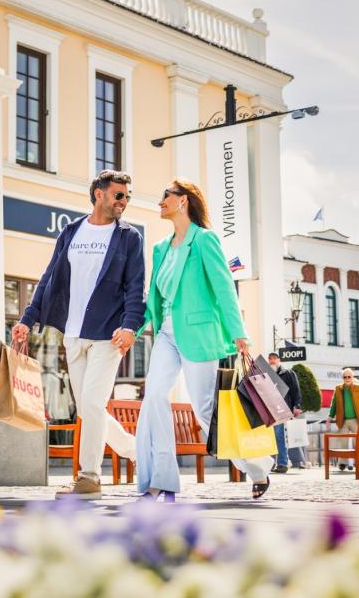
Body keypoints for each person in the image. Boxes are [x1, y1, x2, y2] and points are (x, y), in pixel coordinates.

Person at [135, 179, 274, 501]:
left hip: (198, 333)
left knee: (205, 410)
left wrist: (239, 333)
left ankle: (257, 467)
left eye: (165, 196)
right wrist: (134, 327)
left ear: (183, 201)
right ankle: (161, 479)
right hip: (166, 333)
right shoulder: (160, 248)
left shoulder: (204, 240)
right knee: (154, 395)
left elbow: (224, 287)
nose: (160, 202)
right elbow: (152, 298)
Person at [13, 170, 146, 500]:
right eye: (119, 195)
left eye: (127, 196)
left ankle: (89, 478)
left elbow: (135, 288)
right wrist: (27, 319)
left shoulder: (129, 238)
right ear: (99, 194)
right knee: (89, 409)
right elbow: (48, 279)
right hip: (71, 334)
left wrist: (130, 327)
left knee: (91, 402)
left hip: (108, 335)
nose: (124, 202)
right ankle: (139, 452)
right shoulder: (72, 231)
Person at [325, 367, 359, 471]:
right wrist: (329, 417)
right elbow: (334, 404)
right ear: (342, 378)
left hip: (356, 419)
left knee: (358, 442)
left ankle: (358, 463)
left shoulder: (358, 388)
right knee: (343, 441)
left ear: (352, 377)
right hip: (343, 420)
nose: (347, 378)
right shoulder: (338, 389)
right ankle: (342, 463)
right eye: (345, 377)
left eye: (349, 376)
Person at [268, 352, 302, 474]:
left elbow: (296, 390)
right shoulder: (266, 375)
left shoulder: (288, 373)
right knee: (269, 438)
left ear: (279, 360)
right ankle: (270, 463)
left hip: (282, 409)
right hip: (268, 410)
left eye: (274, 358)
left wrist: (297, 406)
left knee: (280, 436)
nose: (272, 361)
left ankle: (282, 463)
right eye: (270, 359)